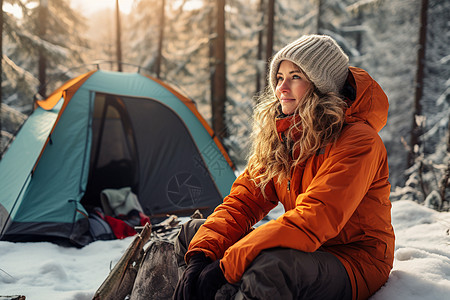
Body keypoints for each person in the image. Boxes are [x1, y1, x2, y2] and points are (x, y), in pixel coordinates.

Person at [173, 34, 395, 300]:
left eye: (296, 77)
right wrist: (202, 256)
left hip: (353, 259)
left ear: (321, 85)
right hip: (301, 247)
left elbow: (315, 218)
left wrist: (226, 267)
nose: (282, 88)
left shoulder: (359, 140)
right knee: (196, 235)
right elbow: (243, 202)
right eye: (279, 78)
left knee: (270, 269)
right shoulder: (286, 134)